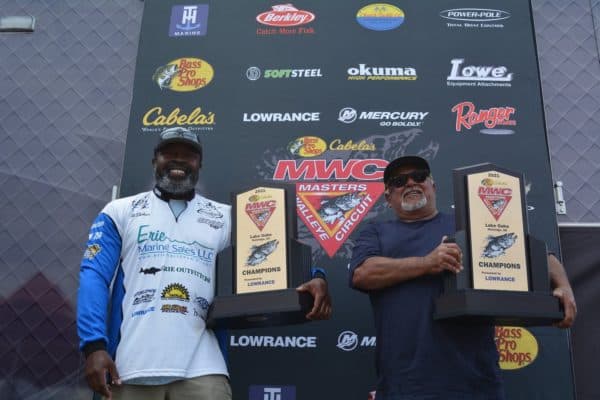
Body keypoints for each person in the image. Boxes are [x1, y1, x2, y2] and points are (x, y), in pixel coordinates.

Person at [77, 127, 332, 400]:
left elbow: (275, 252)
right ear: (154, 161)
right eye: (169, 154)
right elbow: (94, 275)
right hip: (129, 367)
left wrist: (315, 277)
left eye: (188, 155)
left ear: (199, 164)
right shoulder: (120, 211)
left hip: (204, 368)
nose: (178, 160)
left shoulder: (226, 217)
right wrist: (94, 346)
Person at [349, 155, 577, 400]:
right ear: (388, 196)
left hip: (474, 381)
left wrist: (563, 286)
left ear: (433, 185)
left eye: (419, 176)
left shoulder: (468, 224)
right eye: (399, 180)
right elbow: (362, 274)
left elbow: (536, 253)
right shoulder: (376, 232)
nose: (411, 183)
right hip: (405, 383)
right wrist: (427, 263)